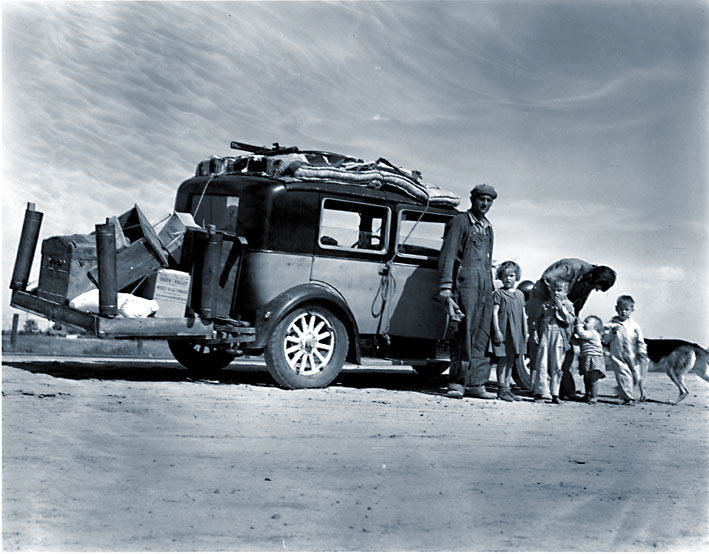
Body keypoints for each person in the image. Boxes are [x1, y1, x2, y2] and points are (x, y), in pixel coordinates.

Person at [438, 184, 497, 400]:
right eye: (482, 199)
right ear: (473, 199)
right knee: (463, 333)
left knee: (482, 334)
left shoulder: (489, 228)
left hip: (485, 287)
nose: (485, 204)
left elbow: (489, 262)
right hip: (466, 285)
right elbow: (448, 254)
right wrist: (445, 286)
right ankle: (457, 383)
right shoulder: (460, 221)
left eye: (489, 201)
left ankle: (476, 384)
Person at [526, 258, 616, 400]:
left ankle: (564, 390)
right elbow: (547, 278)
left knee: (566, 348)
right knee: (540, 346)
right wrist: (557, 301)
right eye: (597, 286)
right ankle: (538, 389)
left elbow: (577, 305)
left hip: (563, 308)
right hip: (542, 299)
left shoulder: (588, 283)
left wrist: (572, 321)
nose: (597, 289)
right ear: (594, 277)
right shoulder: (572, 267)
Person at [532, 279, 575, 404]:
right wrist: (535, 331)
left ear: (566, 292)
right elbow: (537, 320)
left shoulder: (568, 305)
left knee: (557, 365)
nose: (556, 293)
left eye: (559, 290)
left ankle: (555, 392)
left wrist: (561, 308)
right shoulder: (546, 305)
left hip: (560, 337)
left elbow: (570, 320)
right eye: (553, 290)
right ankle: (542, 392)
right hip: (546, 334)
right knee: (542, 363)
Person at [491, 260, 528, 401]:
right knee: (503, 361)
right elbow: (495, 313)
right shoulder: (499, 294)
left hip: (516, 334)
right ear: (501, 276)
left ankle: (508, 389)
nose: (508, 279)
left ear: (517, 277)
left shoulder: (520, 294)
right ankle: (501, 389)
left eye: (511, 275)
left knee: (511, 361)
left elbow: (523, 314)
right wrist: (497, 331)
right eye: (505, 276)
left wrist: (524, 332)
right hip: (504, 333)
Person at [603, 295, 648, 405]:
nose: (623, 312)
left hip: (633, 355)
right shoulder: (611, 324)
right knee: (623, 375)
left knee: (636, 377)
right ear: (616, 309)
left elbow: (640, 341)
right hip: (618, 355)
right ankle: (629, 398)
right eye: (621, 309)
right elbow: (605, 340)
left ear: (632, 310)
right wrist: (612, 332)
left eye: (627, 310)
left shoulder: (634, 326)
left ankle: (624, 392)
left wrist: (642, 351)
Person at [574, 315, 606, 404]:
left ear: (595, 327)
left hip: (594, 358)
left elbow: (581, 334)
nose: (584, 323)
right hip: (586, 357)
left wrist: (578, 325)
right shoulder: (587, 335)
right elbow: (578, 341)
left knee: (593, 380)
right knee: (586, 379)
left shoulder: (592, 333)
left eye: (587, 322)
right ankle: (588, 395)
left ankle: (594, 397)